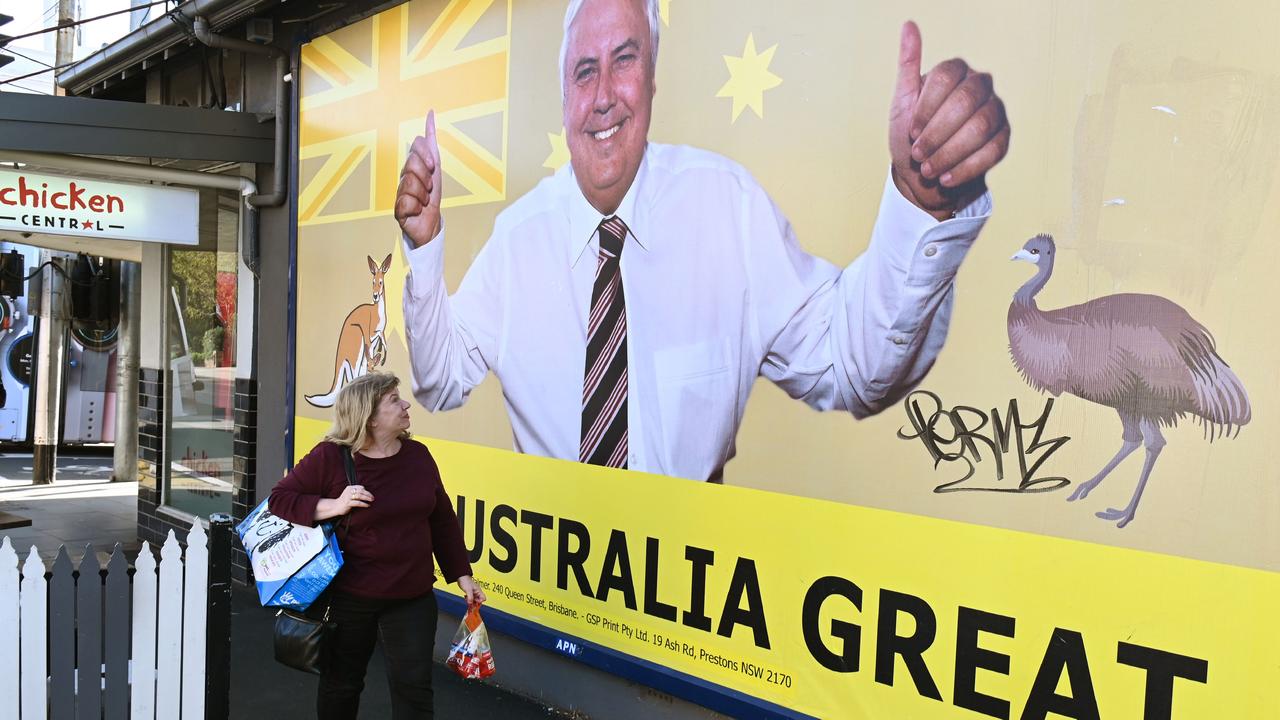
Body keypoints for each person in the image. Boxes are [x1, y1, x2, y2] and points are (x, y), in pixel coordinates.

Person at [394, 0, 1011, 482]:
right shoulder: (517, 240)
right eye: (585, 71)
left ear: (654, 81)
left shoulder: (727, 208)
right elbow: (441, 380)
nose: (604, 93)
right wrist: (424, 254)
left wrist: (919, 200)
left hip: (679, 624)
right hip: (552, 596)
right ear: (563, 101)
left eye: (625, 59)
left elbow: (855, 366)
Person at [269, 371, 486, 720]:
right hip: (350, 597)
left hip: (412, 596)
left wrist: (462, 575)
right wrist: (335, 505)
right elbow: (280, 499)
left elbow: (442, 519)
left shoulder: (418, 456)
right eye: (394, 401)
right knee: (343, 685)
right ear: (368, 416)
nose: (405, 405)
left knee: (413, 689)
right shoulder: (331, 458)